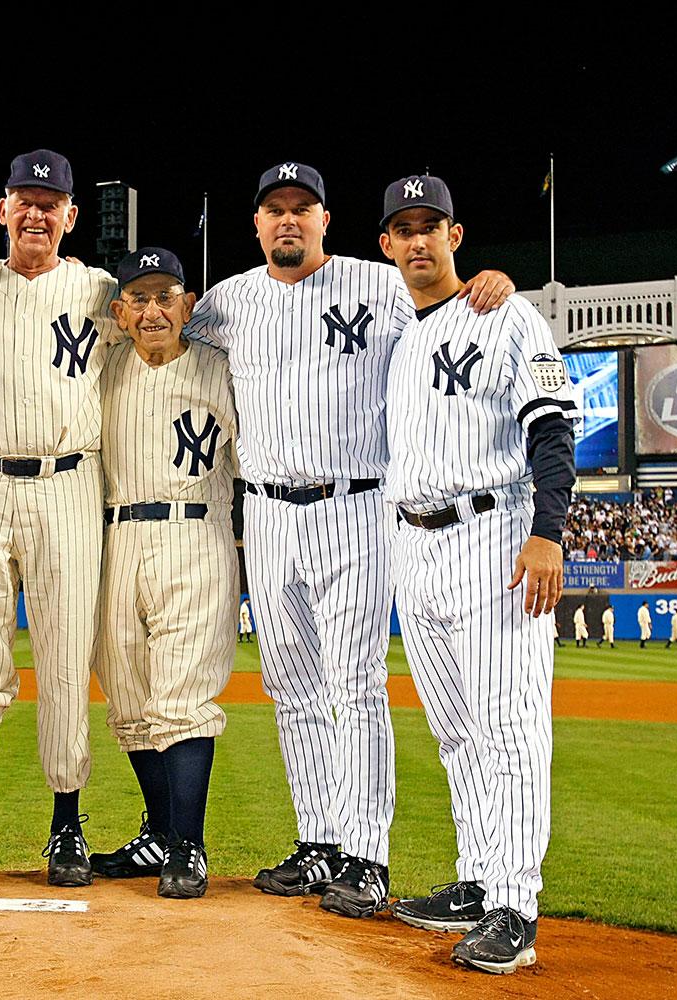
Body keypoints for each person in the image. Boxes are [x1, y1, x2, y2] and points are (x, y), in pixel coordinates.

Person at [185, 162, 513, 918]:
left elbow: (453, 301)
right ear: (258, 224)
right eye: (275, 209)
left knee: (355, 684)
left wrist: (489, 281)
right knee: (292, 690)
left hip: (355, 504)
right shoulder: (229, 302)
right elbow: (156, 327)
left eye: (304, 208)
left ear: (326, 220)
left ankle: (366, 854)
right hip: (263, 513)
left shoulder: (381, 284)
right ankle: (320, 841)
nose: (289, 220)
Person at [375, 174, 575, 975]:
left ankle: (515, 908)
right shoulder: (403, 331)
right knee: (457, 730)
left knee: (510, 726)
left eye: (433, 225)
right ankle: (478, 876)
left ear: (456, 237)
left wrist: (548, 534)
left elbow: (552, 424)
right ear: (386, 245)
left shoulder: (506, 313)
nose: (418, 240)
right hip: (414, 546)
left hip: (493, 535)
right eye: (403, 228)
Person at [0, 150, 119, 888]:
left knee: (68, 658)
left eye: (53, 203)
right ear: (3, 209)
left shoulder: (103, 292)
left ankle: (66, 828)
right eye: (25, 200)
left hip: (67, 482)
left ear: (71, 216)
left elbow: (176, 322)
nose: (38, 213)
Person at [86, 248, 237, 900]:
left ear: (188, 305)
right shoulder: (100, 372)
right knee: (129, 702)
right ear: (120, 311)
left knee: (183, 699)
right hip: (114, 538)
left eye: (164, 297)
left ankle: (188, 847)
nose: (152, 311)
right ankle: (158, 831)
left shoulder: (223, 371)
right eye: (138, 299)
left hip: (195, 531)